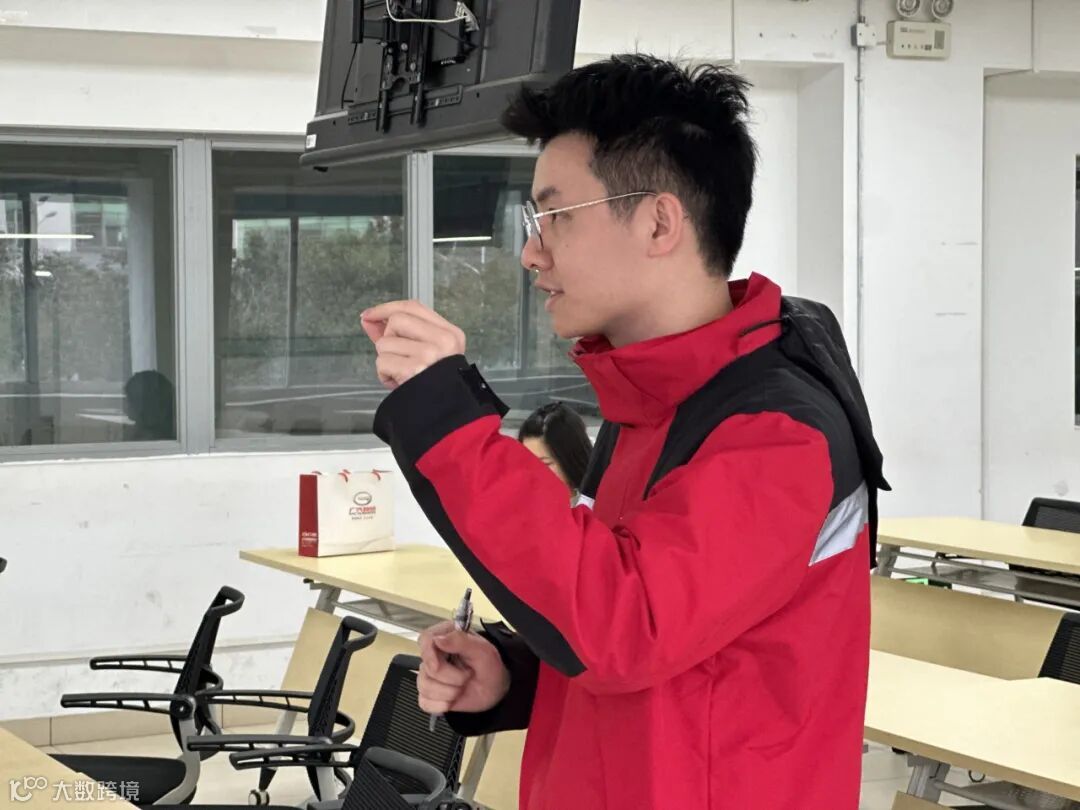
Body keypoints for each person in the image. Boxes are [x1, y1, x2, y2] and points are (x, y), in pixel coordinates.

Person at [362, 55, 878, 810]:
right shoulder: (654, 404)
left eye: (556, 217)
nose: (531, 251)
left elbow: (627, 629)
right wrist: (517, 673)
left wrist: (445, 421)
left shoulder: (777, 433)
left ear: (659, 222)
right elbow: (680, 651)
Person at [516, 402, 592, 496]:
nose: (531, 473)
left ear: (570, 460)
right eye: (527, 463)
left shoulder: (598, 501)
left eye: (544, 464)